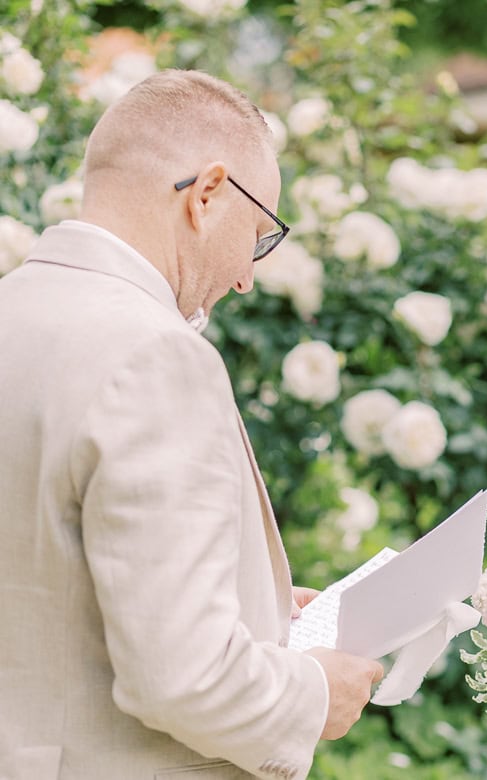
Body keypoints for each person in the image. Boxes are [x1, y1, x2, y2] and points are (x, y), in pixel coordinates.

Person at [0, 70, 384, 779]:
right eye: (259, 235)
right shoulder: (156, 358)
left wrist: (261, 607)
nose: (245, 276)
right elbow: (184, 675)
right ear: (207, 194)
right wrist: (315, 691)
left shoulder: (13, 309)